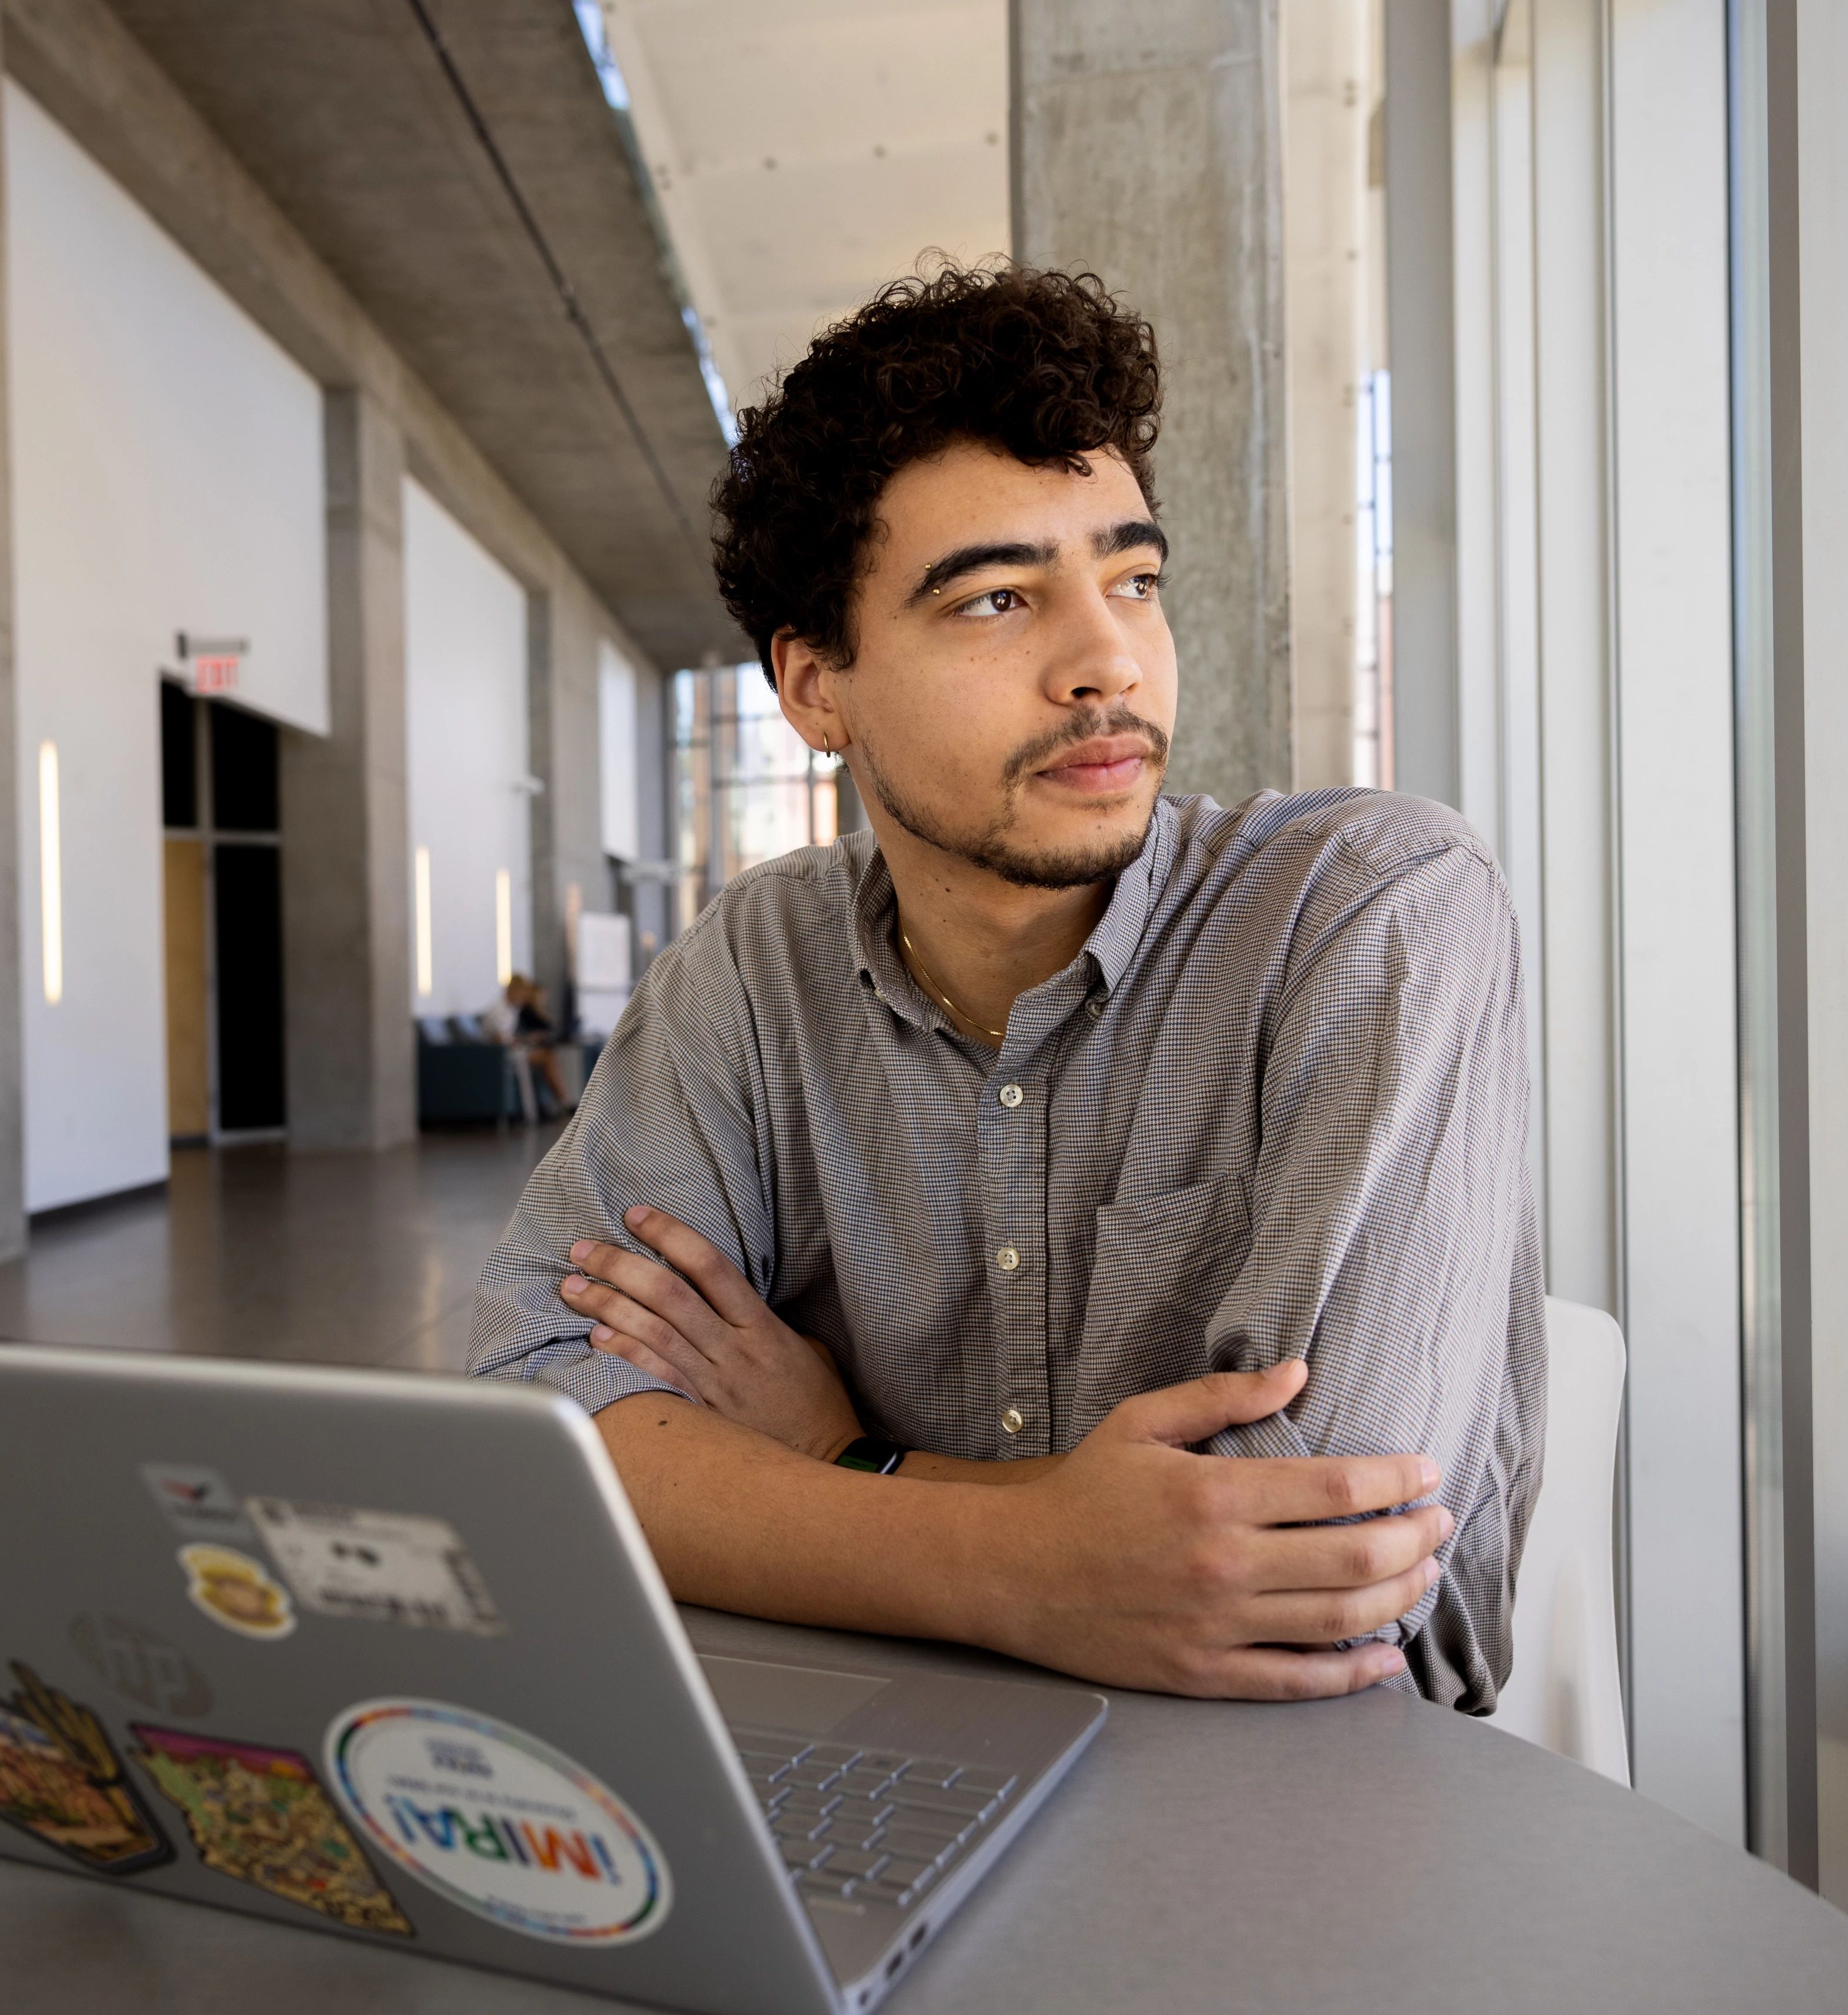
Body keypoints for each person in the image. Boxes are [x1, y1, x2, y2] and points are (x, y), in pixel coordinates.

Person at [469, 264, 1542, 1709]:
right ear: (814, 687)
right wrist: (1036, 1546)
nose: (1106, 658)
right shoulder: (757, 964)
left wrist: (852, 1461)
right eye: (994, 600)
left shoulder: (1371, 911)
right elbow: (537, 1415)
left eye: (1133, 578)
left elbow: (1310, 1558)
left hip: (1308, 1787)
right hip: (880, 1719)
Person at [490, 974, 571, 1116]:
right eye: (522, 992)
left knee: (549, 1054)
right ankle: (563, 1101)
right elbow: (500, 1040)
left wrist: (526, 1039)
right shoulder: (499, 1011)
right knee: (547, 1057)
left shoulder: (512, 1011)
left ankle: (560, 1101)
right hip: (502, 1056)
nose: (524, 996)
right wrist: (526, 1040)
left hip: (514, 1051)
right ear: (513, 990)